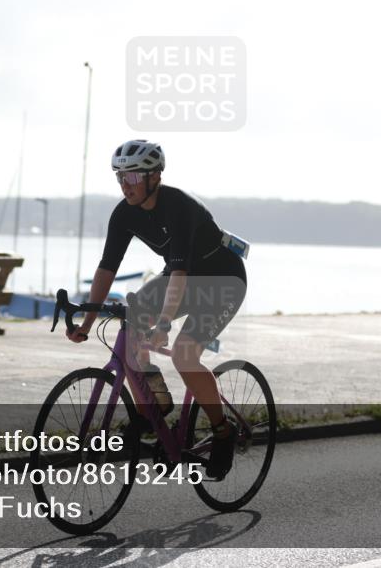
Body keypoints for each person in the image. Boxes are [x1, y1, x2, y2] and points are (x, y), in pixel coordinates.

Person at [66, 139, 247, 479]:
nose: (125, 185)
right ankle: (155, 405)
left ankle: (223, 431)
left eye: (133, 177)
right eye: (120, 177)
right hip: (183, 278)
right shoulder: (124, 213)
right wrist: (87, 321)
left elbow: (179, 272)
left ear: (155, 176)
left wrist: (164, 323)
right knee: (131, 323)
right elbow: (107, 268)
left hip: (222, 282)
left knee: (184, 354)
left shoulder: (179, 207)